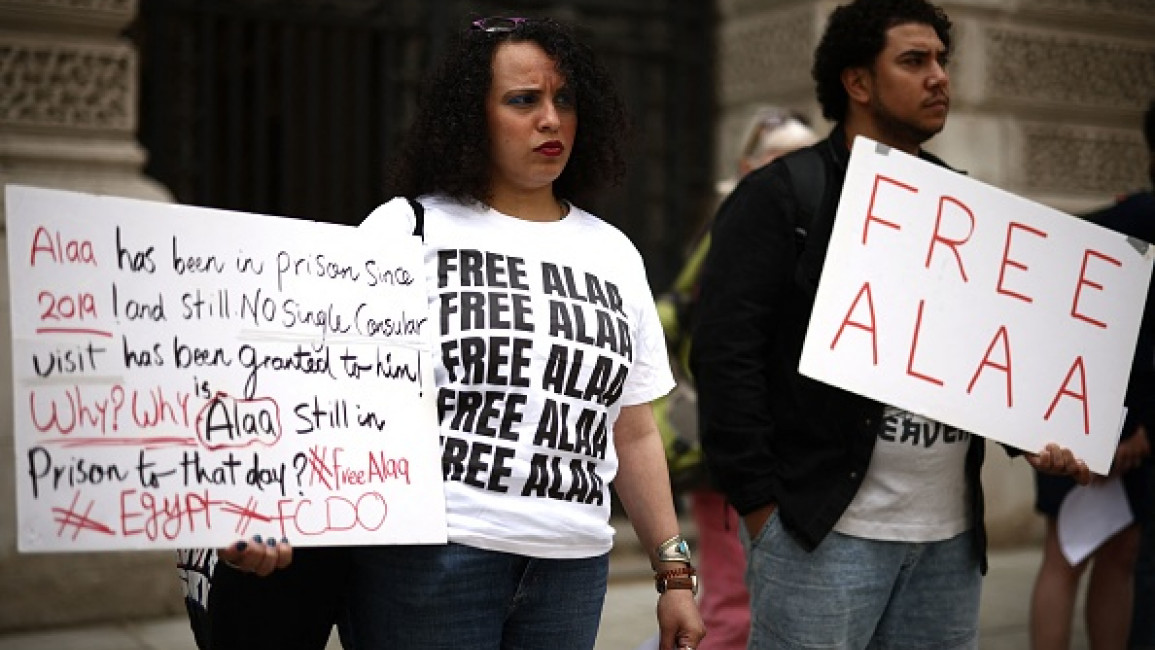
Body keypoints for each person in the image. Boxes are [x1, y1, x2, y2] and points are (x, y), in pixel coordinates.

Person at [689, 0, 1092, 648]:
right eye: (913, 61)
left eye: (941, 60)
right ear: (857, 82)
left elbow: (980, 354)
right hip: (821, 535)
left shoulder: (962, 207)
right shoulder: (781, 197)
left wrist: (1041, 428)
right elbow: (722, 354)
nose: (938, 76)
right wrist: (763, 509)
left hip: (947, 541)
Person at [341, 16, 705, 650]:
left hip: (572, 568)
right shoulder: (404, 229)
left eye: (564, 99)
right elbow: (331, 390)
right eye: (522, 100)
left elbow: (635, 427)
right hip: (432, 560)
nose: (551, 119)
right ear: (470, 117)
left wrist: (673, 573)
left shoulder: (613, 252)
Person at [654, 107, 818, 650]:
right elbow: (721, 349)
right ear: (749, 165)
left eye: (807, 156)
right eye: (781, 158)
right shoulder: (735, 229)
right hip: (729, 453)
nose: (797, 169)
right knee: (731, 609)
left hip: (772, 452)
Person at [1028, 99, 1155, 650]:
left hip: (1119, 425)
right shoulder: (1133, 220)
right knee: (1068, 553)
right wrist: (1104, 427)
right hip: (1087, 420)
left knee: (1120, 550)